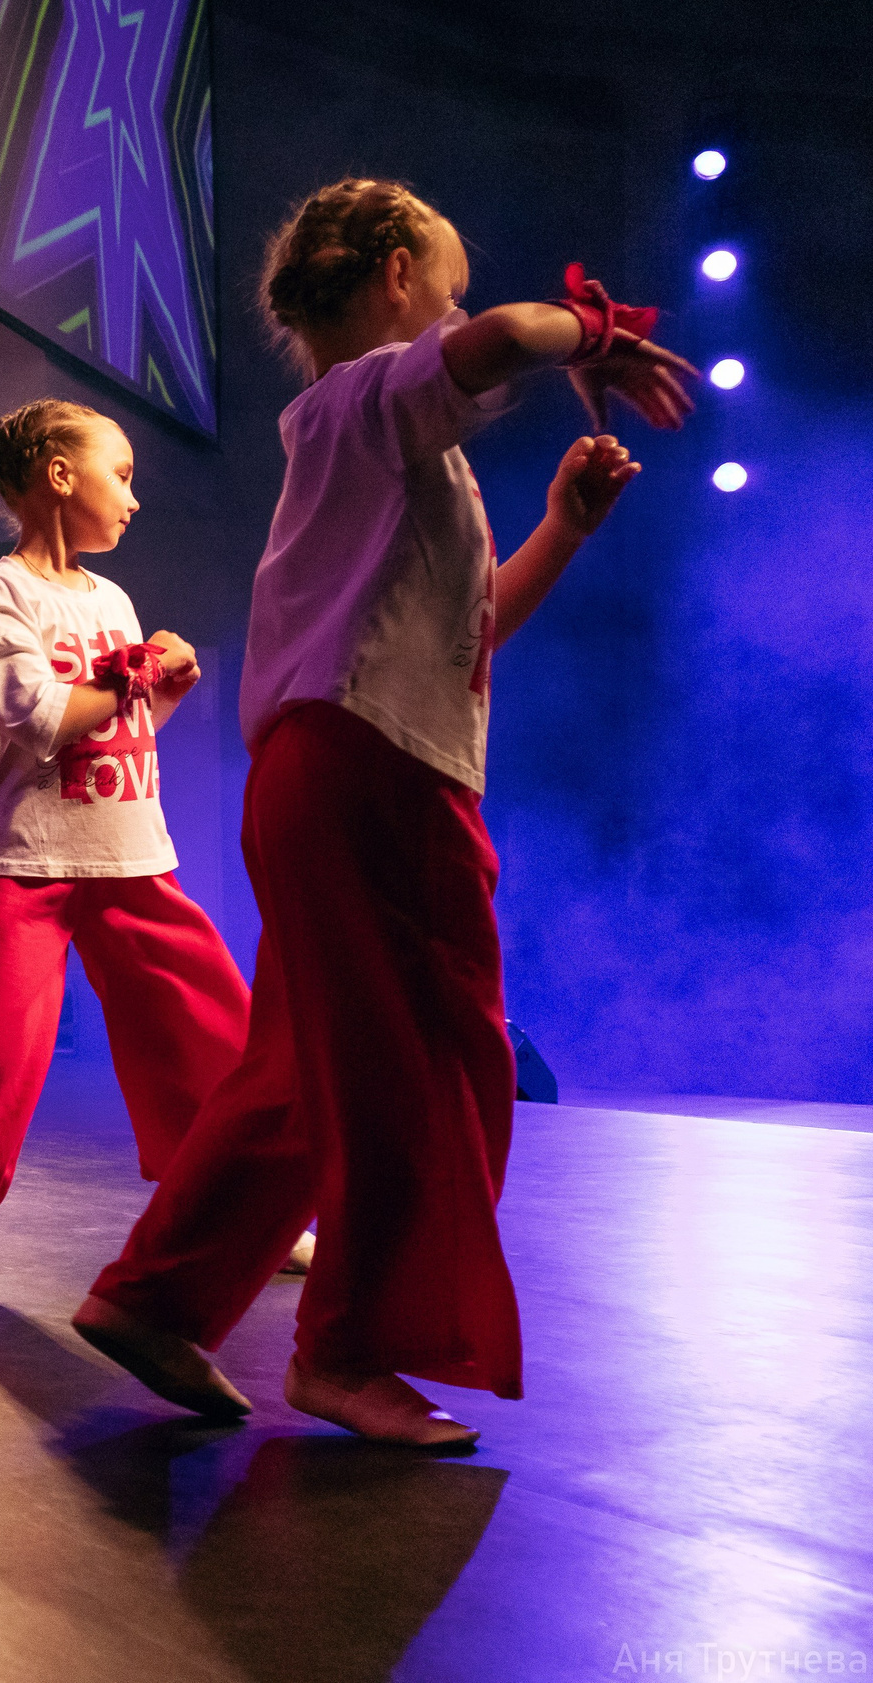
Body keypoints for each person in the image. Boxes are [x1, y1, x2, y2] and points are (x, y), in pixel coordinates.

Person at [70, 178, 689, 1448]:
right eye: (444, 290)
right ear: (397, 276)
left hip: (340, 769)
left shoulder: (386, 451)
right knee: (433, 1063)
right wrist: (601, 337)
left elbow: (468, 631)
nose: (456, 317)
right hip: (366, 776)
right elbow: (515, 334)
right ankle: (344, 1350)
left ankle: (154, 1300)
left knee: (308, 1069)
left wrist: (561, 532)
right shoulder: (361, 403)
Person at [0, 401, 253, 1308]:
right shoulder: (2, 593)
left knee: (217, 1035)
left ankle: (246, 1212)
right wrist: (128, 677)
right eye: (119, 474)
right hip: (22, 859)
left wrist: (163, 691)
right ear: (57, 475)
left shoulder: (112, 599)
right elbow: (39, 719)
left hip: (126, 855)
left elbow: (118, 728)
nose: (131, 497)